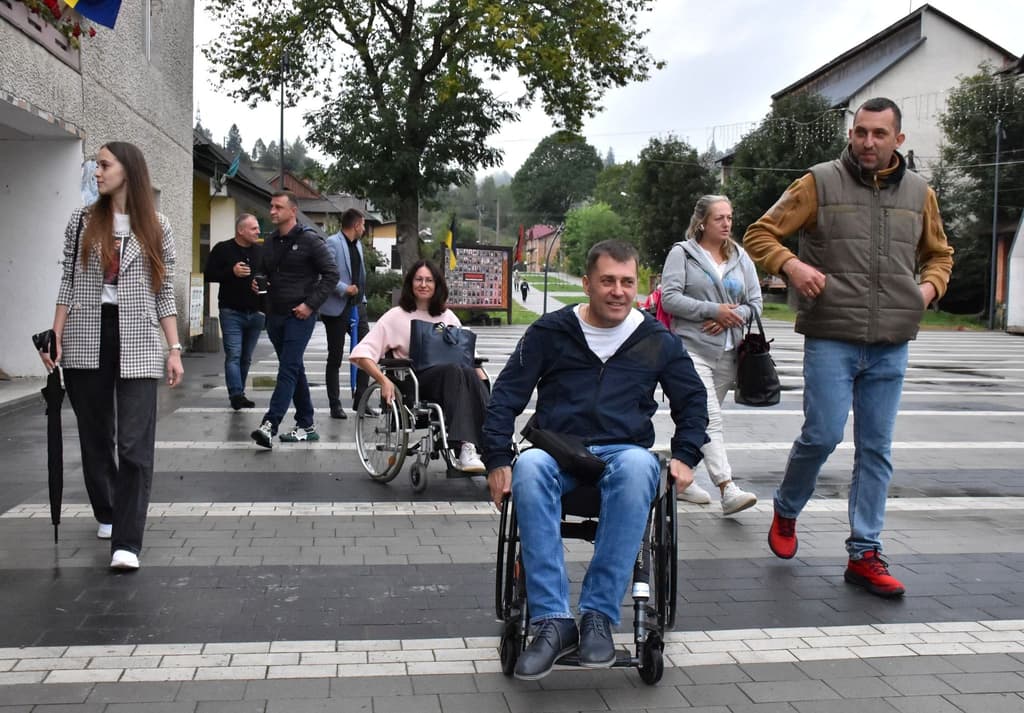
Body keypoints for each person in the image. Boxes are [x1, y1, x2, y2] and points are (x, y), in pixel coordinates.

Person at [743, 97, 954, 598]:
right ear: (852, 133)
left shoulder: (920, 193)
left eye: (879, 134)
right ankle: (788, 507)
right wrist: (792, 267)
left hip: (890, 343)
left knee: (876, 449)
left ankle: (865, 553)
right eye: (861, 132)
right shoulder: (818, 182)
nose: (867, 142)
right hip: (831, 336)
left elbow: (940, 254)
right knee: (822, 435)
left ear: (898, 140)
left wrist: (926, 292)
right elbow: (759, 234)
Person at [481, 240, 708, 681]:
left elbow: (693, 401)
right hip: (559, 450)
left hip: (623, 453)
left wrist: (685, 455)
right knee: (529, 466)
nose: (618, 291)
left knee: (643, 466)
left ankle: (598, 616)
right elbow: (505, 396)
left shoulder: (655, 341)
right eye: (607, 281)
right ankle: (552, 621)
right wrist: (496, 458)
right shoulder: (551, 332)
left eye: (627, 282)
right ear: (587, 284)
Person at [38, 141, 183, 571]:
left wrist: (173, 348)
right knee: (96, 438)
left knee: (135, 444)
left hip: (137, 336)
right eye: (96, 165)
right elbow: (67, 281)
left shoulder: (157, 224)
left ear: (128, 170)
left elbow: (163, 291)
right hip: (87, 335)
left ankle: (127, 541)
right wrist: (56, 335)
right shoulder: (82, 221)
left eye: (103, 165)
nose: (96, 172)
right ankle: (107, 509)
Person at [660, 195, 761, 516]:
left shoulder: (741, 257)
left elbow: (755, 303)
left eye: (730, 217)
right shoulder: (683, 254)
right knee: (709, 418)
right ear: (702, 221)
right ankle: (727, 487)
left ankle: (681, 480)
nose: (727, 223)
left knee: (696, 419)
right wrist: (712, 310)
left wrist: (733, 316)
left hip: (729, 353)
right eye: (719, 218)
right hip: (691, 350)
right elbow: (671, 298)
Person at [350, 260, 490, 473]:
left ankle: (490, 445)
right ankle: (465, 446)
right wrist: (383, 380)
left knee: (469, 372)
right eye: (419, 279)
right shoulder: (395, 316)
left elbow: (469, 353)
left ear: (437, 285)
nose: (423, 284)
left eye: (429, 280)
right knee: (456, 370)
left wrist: (482, 379)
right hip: (417, 383)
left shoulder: (447, 316)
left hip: (455, 379)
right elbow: (361, 354)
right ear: (411, 283)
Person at [249, 191, 339, 448]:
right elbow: (263, 271)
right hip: (275, 314)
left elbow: (331, 274)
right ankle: (306, 424)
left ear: (293, 211)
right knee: (294, 368)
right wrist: (258, 282)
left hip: (299, 316)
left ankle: (270, 424)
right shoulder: (270, 242)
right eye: (271, 206)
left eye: (278, 207)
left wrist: (310, 305)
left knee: (287, 369)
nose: (272, 211)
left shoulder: (310, 241)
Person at [205, 213, 265, 410]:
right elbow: (208, 274)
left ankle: (240, 391)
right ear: (241, 230)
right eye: (253, 228)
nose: (258, 231)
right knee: (234, 354)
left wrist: (263, 286)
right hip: (231, 311)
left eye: (258, 228)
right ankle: (236, 394)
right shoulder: (223, 249)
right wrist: (231, 272)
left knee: (246, 357)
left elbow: (270, 277)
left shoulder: (261, 252)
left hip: (256, 313)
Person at [321, 209, 369, 419]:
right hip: (336, 308)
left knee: (368, 352)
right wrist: (343, 288)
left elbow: (360, 274)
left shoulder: (358, 244)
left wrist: (361, 298)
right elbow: (323, 273)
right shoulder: (332, 243)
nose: (365, 229)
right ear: (356, 225)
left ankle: (361, 400)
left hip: (357, 306)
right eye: (364, 225)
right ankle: (335, 404)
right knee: (336, 357)